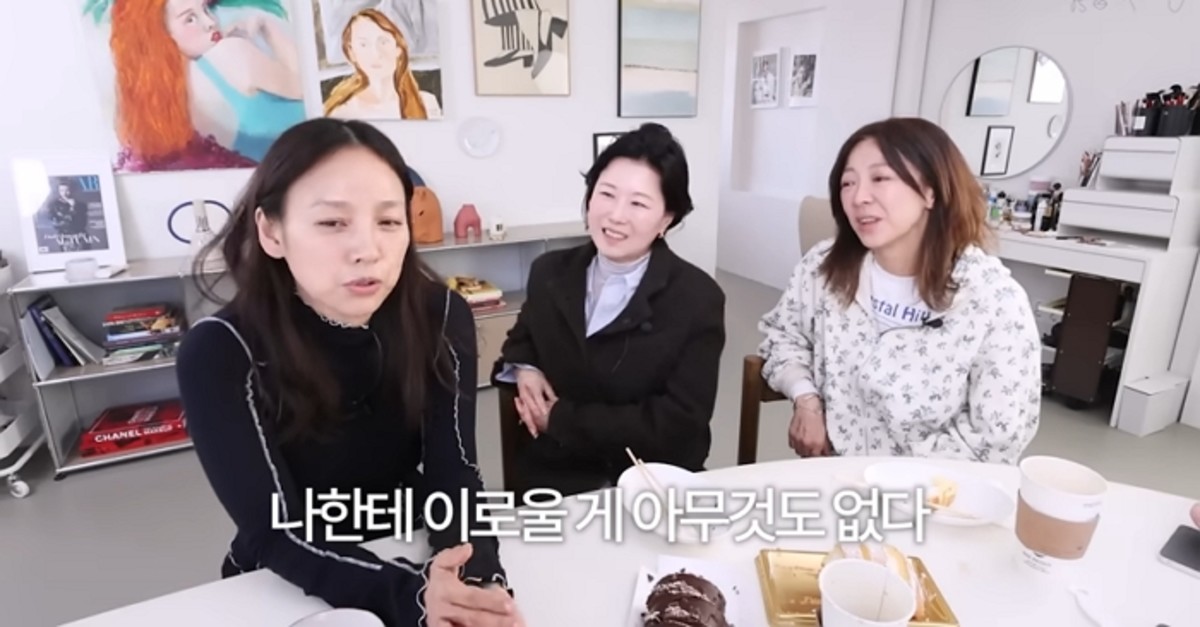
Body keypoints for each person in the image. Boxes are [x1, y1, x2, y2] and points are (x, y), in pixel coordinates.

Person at [176, 118, 523, 627]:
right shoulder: (221, 350)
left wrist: (476, 580)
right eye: (333, 223)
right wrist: (414, 597)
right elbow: (276, 530)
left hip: (410, 539)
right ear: (271, 231)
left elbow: (454, 471)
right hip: (291, 577)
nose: (368, 249)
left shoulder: (440, 314)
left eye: (389, 221)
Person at [758, 117, 1041, 465]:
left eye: (880, 178)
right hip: (833, 476)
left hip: (934, 489)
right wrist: (806, 400)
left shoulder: (994, 300)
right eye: (848, 182)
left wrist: (887, 477)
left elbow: (996, 438)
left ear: (931, 191)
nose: (859, 197)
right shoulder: (823, 268)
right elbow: (783, 336)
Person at [491, 123, 726, 498]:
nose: (616, 215)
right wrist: (526, 369)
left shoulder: (697, 297)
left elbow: (680, 421)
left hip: (651, 482)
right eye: (606, 193)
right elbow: (523, 339)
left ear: (667, 219)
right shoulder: (549, 272)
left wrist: (560, 419)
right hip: (555, 477)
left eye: (638, 203)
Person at [106, 0, 305, 167]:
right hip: (293, 166)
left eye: (206, 9)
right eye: (190, 19)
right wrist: (267, 26)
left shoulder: (166, 97)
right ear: (160, 34)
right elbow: (306, 87)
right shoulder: (231, 52)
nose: (210, 22)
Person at [323, 9, 442, 120]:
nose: (376, 54)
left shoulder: (426, 103)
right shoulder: (342, 112)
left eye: (383, 42)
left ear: (398, 49)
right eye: (363, 45)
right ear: (351, 53)